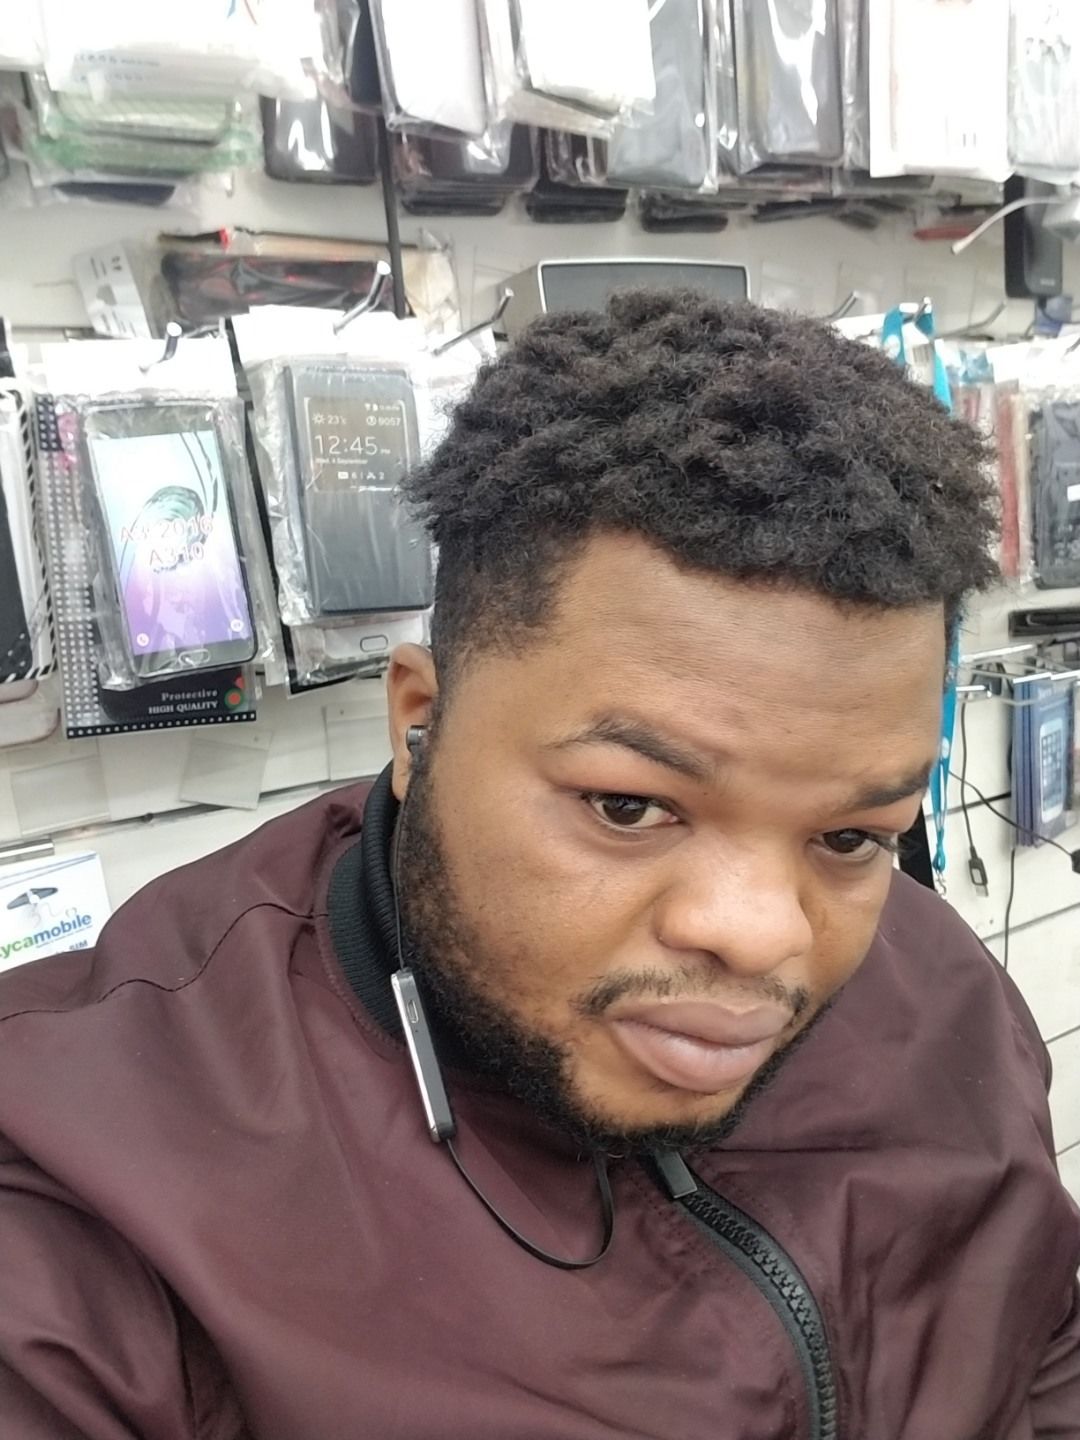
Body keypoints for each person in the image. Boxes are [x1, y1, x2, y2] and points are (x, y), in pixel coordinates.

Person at [1, 292, 1077, 1440]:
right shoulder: (89, 1194)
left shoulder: (940, 991)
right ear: (420, 723)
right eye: (629, 806)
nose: (765, 934)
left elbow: (1042, 1353)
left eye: (850, 837)